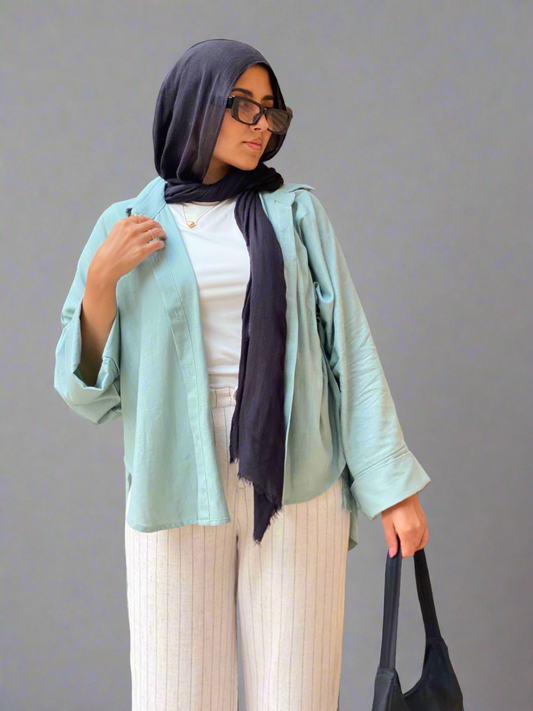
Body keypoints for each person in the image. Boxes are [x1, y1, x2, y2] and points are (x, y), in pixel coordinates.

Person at [54, 38, 431, 711]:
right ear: (195, 104)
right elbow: (85, 391)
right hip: (173, 478)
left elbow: (349, 350)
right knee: (175, 694)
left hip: (297, 472)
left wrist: (391, 488)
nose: (261, 124)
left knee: (298, 695)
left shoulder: (297, 214)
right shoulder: (127, 225)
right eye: (242, 105)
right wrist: (101, 281)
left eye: (270, 109)